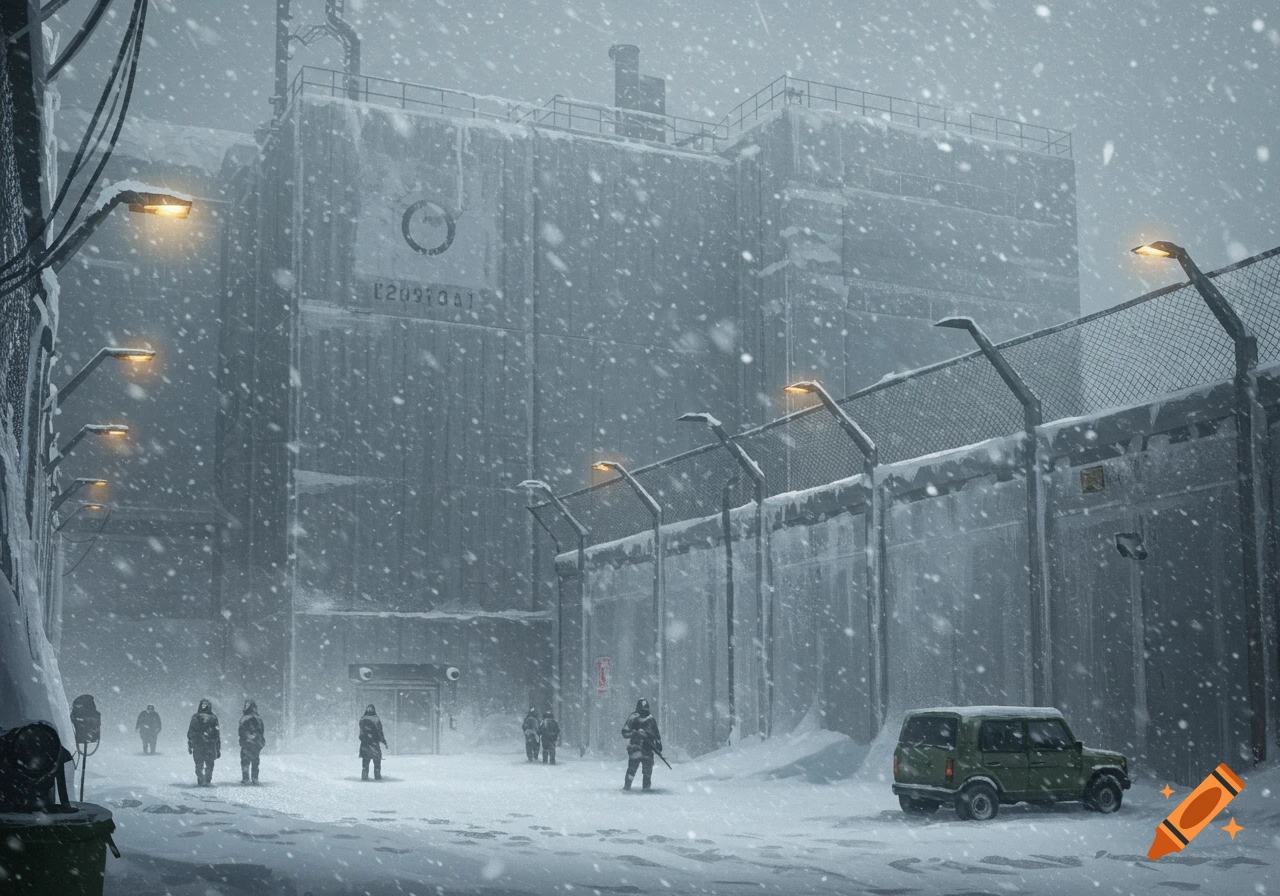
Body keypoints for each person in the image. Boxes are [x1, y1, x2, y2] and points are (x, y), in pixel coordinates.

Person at [621, 698, 661, 791]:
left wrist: (658, 743)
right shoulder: (633, 717)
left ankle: (646, 789)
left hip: (648, 749)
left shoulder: (651, 719)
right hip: (635, 748)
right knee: (631, 771)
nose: (644, 711)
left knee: (647, 773)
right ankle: (627, 788)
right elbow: (625, 732)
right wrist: (635, 733)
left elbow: (656, 734)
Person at [186, 699, 221, 786]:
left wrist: (218, 747)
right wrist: (190, 744)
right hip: (203, 744)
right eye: (203, 704)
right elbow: (191, 731)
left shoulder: (199, 717)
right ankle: (203, 780)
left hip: (204, 744)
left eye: (206, 704)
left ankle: (204, 780)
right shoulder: (209, 717)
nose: (204, 706)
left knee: (206, 764)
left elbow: (216, 734)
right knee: (202, 764)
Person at [238, 699, 266, 784]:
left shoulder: (245, 718)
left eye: (247, 705)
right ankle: (254, 778)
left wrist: (245, 738)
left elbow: (241, 731)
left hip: (248, 743)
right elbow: (261, 731)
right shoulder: (257, 718)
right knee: (255, 761)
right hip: (255, 743)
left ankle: (246, 778)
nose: (246, 706)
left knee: (246, 761)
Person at [359, 704, 388, 781]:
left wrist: (364, 738)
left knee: (365, 760)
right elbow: (380, 731)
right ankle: (377, 774)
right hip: (374, 743)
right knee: (377, 759)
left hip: (365, 743)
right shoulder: (376, 719)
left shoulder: (362, 718)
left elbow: (361, 732)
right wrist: (383, 741)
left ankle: (364, 775)